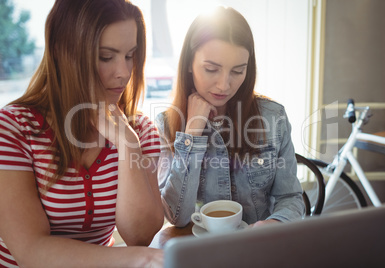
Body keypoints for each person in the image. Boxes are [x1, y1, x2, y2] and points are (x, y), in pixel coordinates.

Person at [0, 0, 164, 267]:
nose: (123, 73)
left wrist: (127, 143)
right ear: (62, 53)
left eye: (130, 55)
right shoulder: (13, 128)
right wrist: (142, 258)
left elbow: (140, 235)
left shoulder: (140, 131)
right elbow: (31, 250)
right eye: (106, 57)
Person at [157, 6, 305, 228]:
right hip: (201, 251)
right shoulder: (167, 124)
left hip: (258, 249)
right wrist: (192, 133)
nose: (224, 85)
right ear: (189, 63)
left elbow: (290, 197)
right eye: (211, 69)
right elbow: (177, 216)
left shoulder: (273, 118)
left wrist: (275, 222)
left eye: (237, 71)